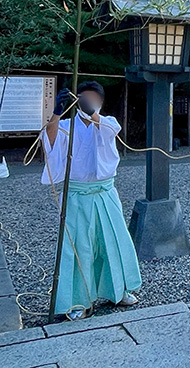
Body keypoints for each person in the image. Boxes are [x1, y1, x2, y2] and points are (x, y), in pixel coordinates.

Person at [41, 82, 141, 321]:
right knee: (79, 248)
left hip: (105, 194)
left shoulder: (107, 122)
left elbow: (109, 130)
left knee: (113, 242)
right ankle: (77, 299)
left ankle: (118, 291)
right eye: (84, 98)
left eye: (94, 98)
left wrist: (92, 112)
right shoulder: (66, 126)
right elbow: (49, 138)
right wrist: (56, 112)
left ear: (101, 102)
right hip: (76, 196)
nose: (88, 102)